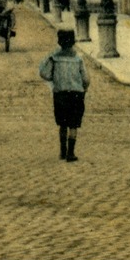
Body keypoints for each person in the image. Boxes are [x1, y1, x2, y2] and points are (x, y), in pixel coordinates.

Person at [39, 29, 89, 161]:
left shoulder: (55, 58)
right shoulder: (78, 58)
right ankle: (71, 153)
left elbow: (44, 73)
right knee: (73, 124)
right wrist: (84, 89)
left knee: (62, 123)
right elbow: (86, 79)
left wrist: (54, 78)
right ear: (73, 42)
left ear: (59, 41)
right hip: (76, 94)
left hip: (60, 94)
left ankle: (62, 151)